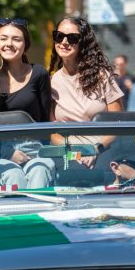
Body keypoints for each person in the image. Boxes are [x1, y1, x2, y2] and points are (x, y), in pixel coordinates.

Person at [50, 16, 124, 168]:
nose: (64, 42)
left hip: (103, 152)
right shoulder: (52, 81)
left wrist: (95, 149)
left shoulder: (102, 76)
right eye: (59, 36)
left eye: (72, 38)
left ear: (83, 43)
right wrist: (77, 152)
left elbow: (119, 125)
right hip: (69, 154)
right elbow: (51, 133)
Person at [0, 18, 53, 188]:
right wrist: (8, 153)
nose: (9, 44)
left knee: (40, 171)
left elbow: (46, 119)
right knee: (13, 176)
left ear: (25, 45)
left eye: (16, 39)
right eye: (3, 38)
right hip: (2, 150)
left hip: (35, 147)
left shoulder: (38, 73)